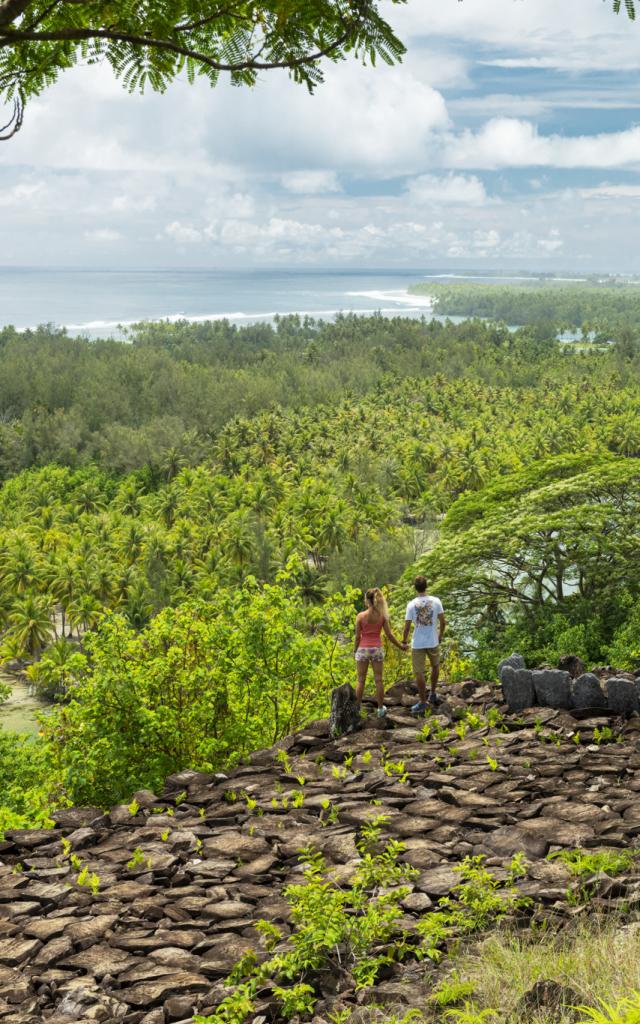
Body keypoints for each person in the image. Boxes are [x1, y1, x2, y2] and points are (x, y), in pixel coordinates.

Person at [354, 588, 406, 717]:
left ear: (367, 600)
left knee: (361, 680)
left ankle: (357, 709)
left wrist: (355, 650)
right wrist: (401, 646)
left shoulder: (360, 616)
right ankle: (380, 709)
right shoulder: (382, 616)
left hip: (363, 649)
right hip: (377, 649)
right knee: (379, 680)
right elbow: (389, 635)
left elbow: (357, 637)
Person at [403, 575, 446, 714]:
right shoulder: (436, 601)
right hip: (433, 640)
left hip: (418, 643)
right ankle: (432, 693)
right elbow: (443, 622)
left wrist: (404, 641)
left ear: (415, 588)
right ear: (426, 586)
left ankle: (422, 702)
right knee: (435, 666)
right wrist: (440, 635)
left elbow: (407, 627)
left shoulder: (411, 605)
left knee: (419, 672)